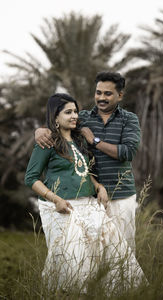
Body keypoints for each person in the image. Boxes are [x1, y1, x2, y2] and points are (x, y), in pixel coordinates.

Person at [25, 93, 145, 292]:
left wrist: (99, 186)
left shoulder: (79, 141)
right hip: (65, 208)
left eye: (75, 112)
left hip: (89, 205)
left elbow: (83, 171)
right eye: (68, 112)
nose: (74, 116)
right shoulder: (47, 142)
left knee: (108, 255)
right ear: (55, 116)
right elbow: (31, 178)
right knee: (73, 261)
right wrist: (55, 199)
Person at [35, 72, 140, 252]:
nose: (101, 97)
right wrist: (39, 131)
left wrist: (95, 141)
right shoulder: (83, 117)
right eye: (98, 92)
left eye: (108, 93)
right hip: (91, 200)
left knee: (123, 253)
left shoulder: (129, 119)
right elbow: (60, 125)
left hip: (121, 196)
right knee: (93, 255)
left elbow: (128, 152)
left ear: (120, 95)